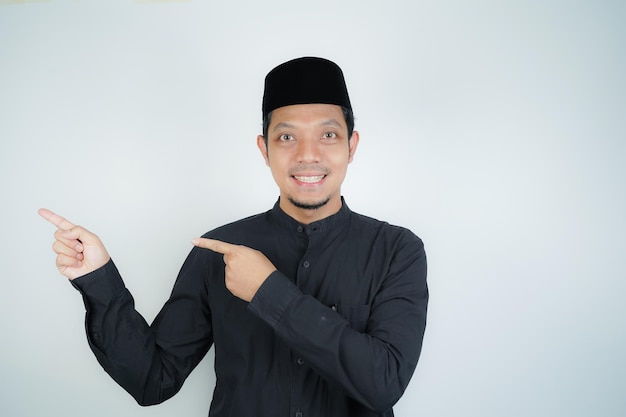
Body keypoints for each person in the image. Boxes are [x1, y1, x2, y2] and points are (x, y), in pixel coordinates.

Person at [39, 57, 428, 417]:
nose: (308, 155)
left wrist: (268, 291)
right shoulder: (218, 250)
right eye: (287, 138)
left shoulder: (397, 250)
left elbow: (384, 383)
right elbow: (152, 380)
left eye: (328, 134)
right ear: (264, 149)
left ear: (351, 146)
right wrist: (99, 279)